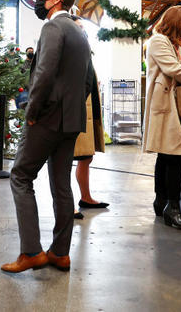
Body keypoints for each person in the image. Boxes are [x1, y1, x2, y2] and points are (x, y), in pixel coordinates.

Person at [1, 0, 91, 273]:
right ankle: (60, 253)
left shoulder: (53, 28)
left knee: (21, 176)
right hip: (71, 120)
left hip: (47, 118)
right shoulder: (79, 31)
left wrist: (32, 110)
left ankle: (31, 252)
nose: (38, 1)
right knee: (61, 184)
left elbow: (44, 74)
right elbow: (89, 80)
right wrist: (71, 106)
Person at [142, 5, 181, 231]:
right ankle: (173, 208)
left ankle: (162, 201)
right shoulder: (159, 41)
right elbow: (172, 69)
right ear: (176, 22)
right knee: (176, 155)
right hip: (167, 105)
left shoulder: (173, 44)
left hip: (173, 105)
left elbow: (177, 67)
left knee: (167, 155)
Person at [70, 12, 107, 220]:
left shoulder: (84, 50)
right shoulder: (70, 49)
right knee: (66, 159)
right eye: (79, 28)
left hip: (89, 108)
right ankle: (67, 204)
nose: (82, 32)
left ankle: (86, 197)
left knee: (86, 156)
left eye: (83, 29)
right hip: (74, 110)